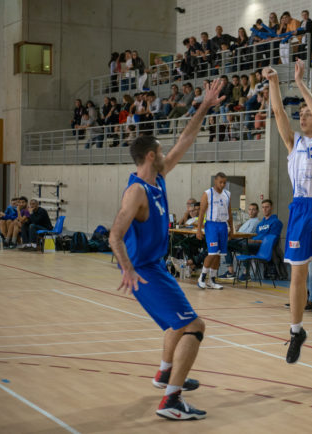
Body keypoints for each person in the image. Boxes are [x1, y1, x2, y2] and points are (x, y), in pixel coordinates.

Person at [108, 78, 223, 420]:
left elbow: (185, 139)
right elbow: (115, 235)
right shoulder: (137, 192)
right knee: (194, 326)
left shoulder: (158, 179)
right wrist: (128, 269)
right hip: (143, 271)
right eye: (160, 151)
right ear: (150, 156)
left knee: (177, 323)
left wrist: (204, 105)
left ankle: (164, 374)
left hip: (154, 267)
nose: (165, 154)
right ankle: (171, 401)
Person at [264, 58, 312, 366]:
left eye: (308, 112)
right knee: (297, 274)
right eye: (301, 113)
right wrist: (274, 82)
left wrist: (299, 83)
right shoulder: (293, 142)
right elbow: (278, 112)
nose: (303, 116)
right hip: (300, 208)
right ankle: (296, 331)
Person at [196, 173, 233, 290]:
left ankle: (212, 280)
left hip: (223, 225)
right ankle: (202, 277)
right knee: (212, 253)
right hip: (211, 225)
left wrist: (231, 229)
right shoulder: (207, 193)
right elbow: (201, 213)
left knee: (218, 255)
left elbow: (229, 213)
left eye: (224, 182)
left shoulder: (227, 194)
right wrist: (198, 230)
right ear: (215, 181)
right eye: (220, 182)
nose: (222, 184)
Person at [220, 203, 260, 278]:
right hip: (239, 240)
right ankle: (230, 271)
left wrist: (234, 235)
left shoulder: (255, 222)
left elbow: (247, 234)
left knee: (226, 243)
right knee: (225, 244)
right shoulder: (248, 221)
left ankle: (243, 272)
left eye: (253, 210)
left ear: (257, 211)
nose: (251, 211)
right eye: (250, 209)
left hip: (244, 241)